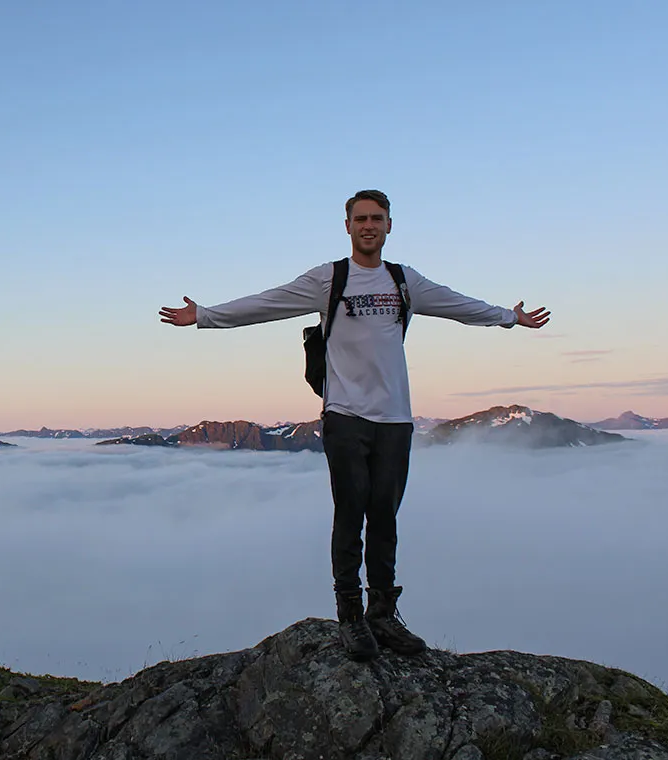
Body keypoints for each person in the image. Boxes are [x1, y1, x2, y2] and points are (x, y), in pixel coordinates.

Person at [158, 189, 550, 661]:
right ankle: (350, 617)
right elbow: (268, 303)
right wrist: (204, 315)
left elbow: (458, 305)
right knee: (351, 512)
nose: (369, 226)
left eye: (377, 219)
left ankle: (382, 615)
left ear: (389, 226)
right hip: (344, 415)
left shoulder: (406, 282)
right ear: (347, 226)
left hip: (396, 419)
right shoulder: (329, 279)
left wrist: (510, 317)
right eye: (360, 218)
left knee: (385, 515)